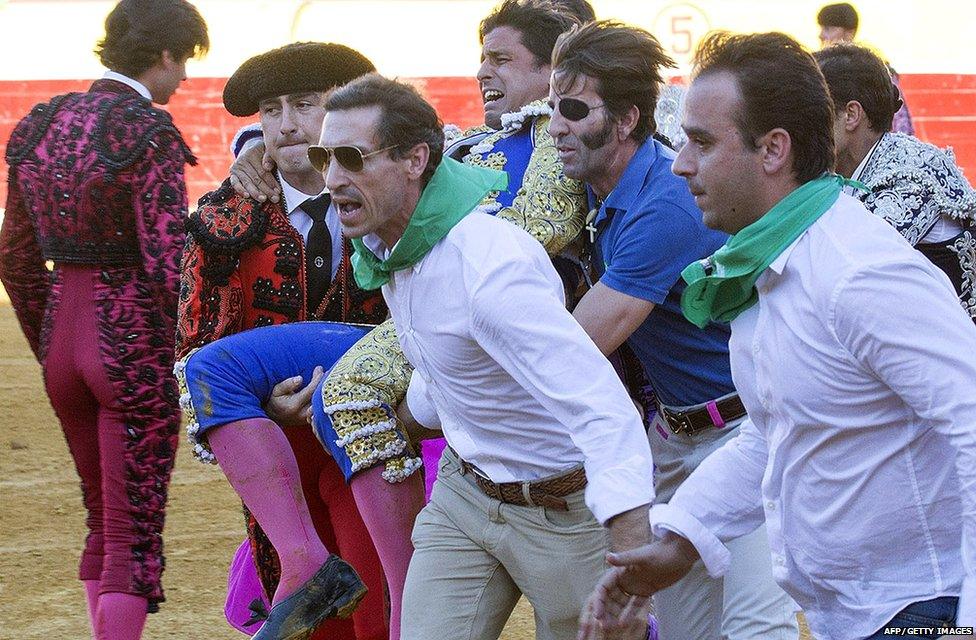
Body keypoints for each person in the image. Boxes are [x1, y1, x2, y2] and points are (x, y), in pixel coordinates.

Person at [581, 31, 976, 640]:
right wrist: (682, 535)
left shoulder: (858, 272)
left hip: (920, 610)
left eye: (702, 142)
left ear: (773, 150)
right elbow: (778, 432)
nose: (680, 162)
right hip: (866, 613)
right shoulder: (776, 263)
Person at [318, 72, 655, 640]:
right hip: (466, 495)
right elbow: (450, 354)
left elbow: (601, 406)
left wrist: (629, 550)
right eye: (324, 157)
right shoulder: (391, 242)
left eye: (351, 157)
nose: (330, 179)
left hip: (566, 510)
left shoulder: (489, 267)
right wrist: (421, 409)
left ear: (414, 160)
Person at [548, 21, 798, 639]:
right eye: (551, 108)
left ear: (629, 119)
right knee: (687, 630)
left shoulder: (666, 201)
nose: (554, 126)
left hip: (748, 432)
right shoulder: (597, 181)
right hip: (675, 434)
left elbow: (578, 347)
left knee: (752, 626)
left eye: (574, 109)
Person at [0, 1, 208, 638]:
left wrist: (51, 343)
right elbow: (168, 261)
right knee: (133, 538)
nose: (182, 81)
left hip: (63, 332)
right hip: (129, 345)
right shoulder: (148, 132)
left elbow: (13, 255)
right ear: (166, 54)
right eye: (185, 63)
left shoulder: (40, 125)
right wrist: (180, 348)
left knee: (102, 521)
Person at [174, 43, 388, 640]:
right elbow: (195, 355)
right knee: (309, 615)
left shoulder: (395, 197)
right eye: (271, 110)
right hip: (276, 451)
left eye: (306, 104)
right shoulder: (223, 221)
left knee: (379, 605)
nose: (287, 123)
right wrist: (264, 409)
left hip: (380, 432)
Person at [813, 43, 976, 320]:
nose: (801, 126)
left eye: (813, 112)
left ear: (851, 115)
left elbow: (852, 270)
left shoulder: (910, 172)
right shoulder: (852, 168)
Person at [816, 2, 914, 135]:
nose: (821, 35)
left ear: (849, 33)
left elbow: (902, 126)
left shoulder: (875, 72)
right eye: (821, 28)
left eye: (828, 29)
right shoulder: (819, 69)